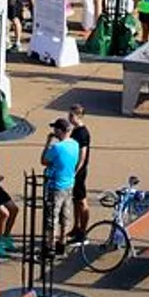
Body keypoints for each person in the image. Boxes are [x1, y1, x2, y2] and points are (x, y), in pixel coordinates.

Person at [41, 118, 80, 249]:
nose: (53, 131)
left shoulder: (57, 147)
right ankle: (62, 242)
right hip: (69, 184)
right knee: (65, 215)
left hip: (55, 186)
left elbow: (44, 160)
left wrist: (48, 143)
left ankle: (50, 245)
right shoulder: (75, 144)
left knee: (52, 217)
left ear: (60, 131)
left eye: (55, 129)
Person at [68, 103, 94, 240]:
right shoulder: (75, 130)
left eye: (71, 115)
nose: (69, 117)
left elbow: (82, 156)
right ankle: (76, 227)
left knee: (81, 200)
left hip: (79, 172)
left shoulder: (83, 133)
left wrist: (75, 172)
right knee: (75, 200)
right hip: (74, 171)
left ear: (79, 116)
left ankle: (82, 231)